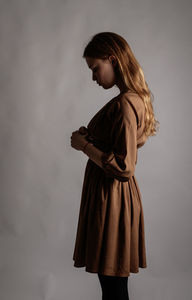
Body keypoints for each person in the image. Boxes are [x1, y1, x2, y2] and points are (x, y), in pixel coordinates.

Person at [70, 32, 159, 300]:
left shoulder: (124, 104)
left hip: (112, 200)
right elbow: (120, 146)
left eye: (95, 68)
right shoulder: (133, 98)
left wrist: (84, 146)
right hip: (115, 199)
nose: (94, 77)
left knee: (111, 284)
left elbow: (124, 166)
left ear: (112, 59)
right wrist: (95, 138)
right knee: (112, 282)